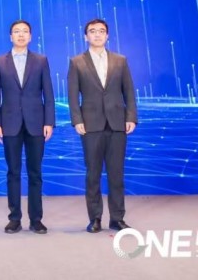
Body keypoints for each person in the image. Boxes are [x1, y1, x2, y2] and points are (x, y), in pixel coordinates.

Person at [67, 18, 137, 233]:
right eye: (92, 31)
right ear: (85, 36)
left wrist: (131, 117)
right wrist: (77, 120)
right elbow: (72, 96)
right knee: (93, 174)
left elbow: (129, 92)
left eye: (101, 31)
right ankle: (95, 218)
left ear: (107, 36)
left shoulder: (120, 60)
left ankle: (117, 218)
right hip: (90, 125)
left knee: (116, 174)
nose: (97, 34)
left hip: (117, 124)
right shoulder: (76, 62)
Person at [0, 20, 55, 235]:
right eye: (16, 32)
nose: (21, 35)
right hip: (9, 124)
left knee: (35, 173)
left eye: (25, 31)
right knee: (13, 172)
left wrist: (49, 122)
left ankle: (36, 219)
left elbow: (48, 94)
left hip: (36, 123)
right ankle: (14, 219)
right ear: (10, 37)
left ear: (30, 36)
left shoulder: (41, 60)